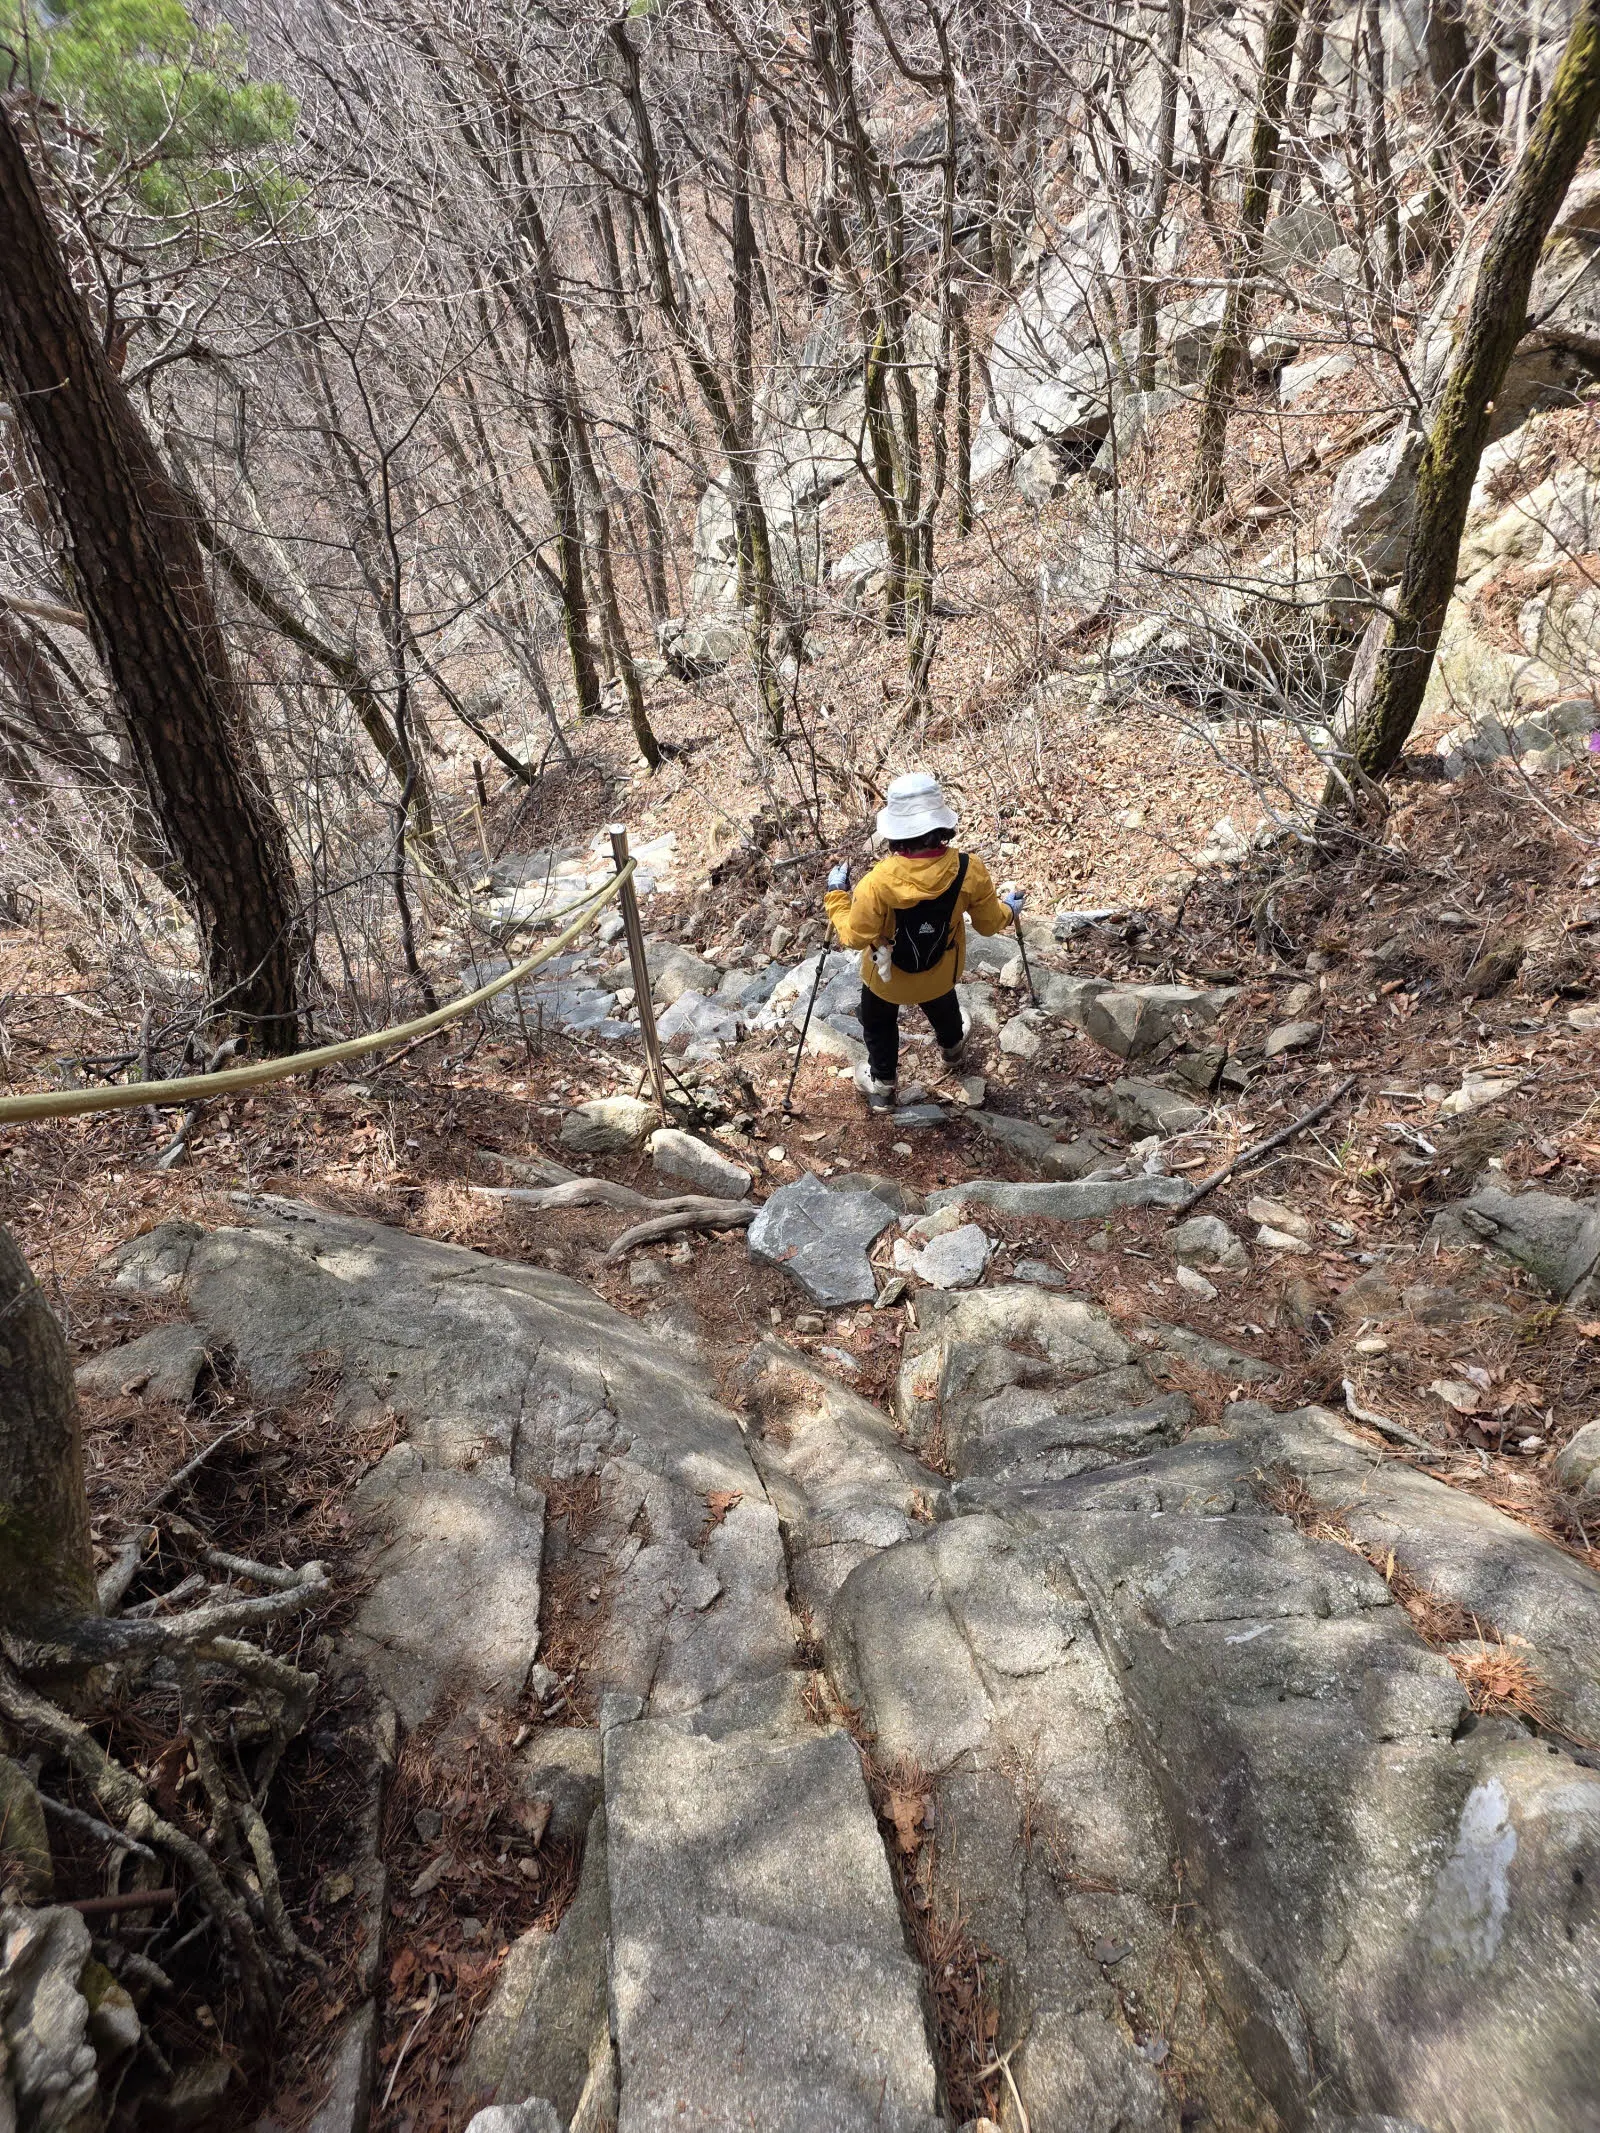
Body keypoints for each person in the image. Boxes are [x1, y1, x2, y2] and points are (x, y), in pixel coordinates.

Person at [824, 771, 1024, 1111]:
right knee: (943, 1003)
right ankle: (952, 1049)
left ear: (896, 831)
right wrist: (1009, 909)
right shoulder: (967, 868)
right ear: (941, 824)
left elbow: (854, 937)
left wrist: (836, 898)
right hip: (939, 971)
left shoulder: (877, 882)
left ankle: (883, 1085)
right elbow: (989, 925)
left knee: (878, 1020)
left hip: (886, 980)